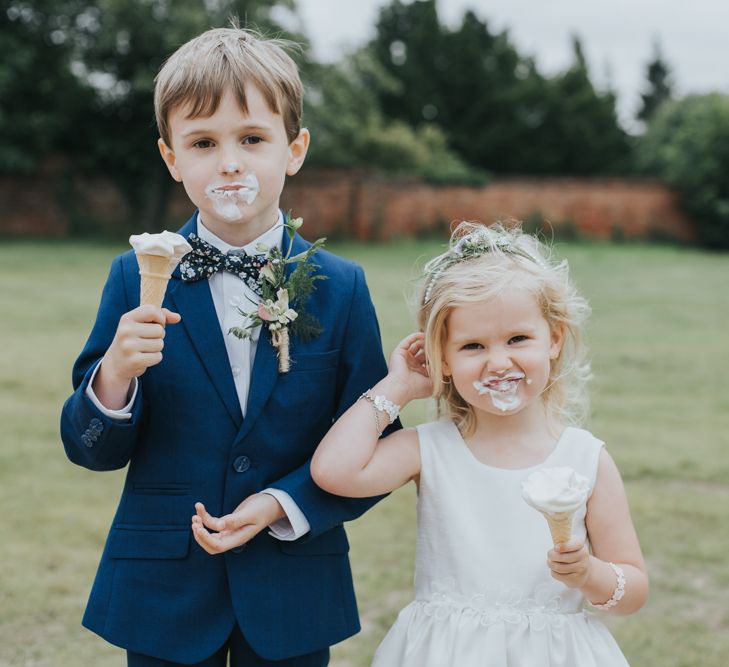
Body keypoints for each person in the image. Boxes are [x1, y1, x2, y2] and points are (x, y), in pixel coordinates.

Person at [60, 27, 392, 667]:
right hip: (165, 586)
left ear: (294, 150)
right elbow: (89, 448)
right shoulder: (134, 277)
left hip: (291, 580)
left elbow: (374, 439)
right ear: (171, 158)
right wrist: (115, 379)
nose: (230, 162)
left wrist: (284, 503)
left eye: (252, 139)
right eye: (204, 143)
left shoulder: (341, 287)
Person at [311, 221, 649, 666]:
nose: (499, 362)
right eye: (472, 346)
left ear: (555, 339)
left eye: (517, 339)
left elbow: (634, 588)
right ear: (443, 360)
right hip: (446, 652)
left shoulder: (586, 459)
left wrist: (591, 574)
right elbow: (333, 472)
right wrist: (397, 388)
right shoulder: (430, 448)